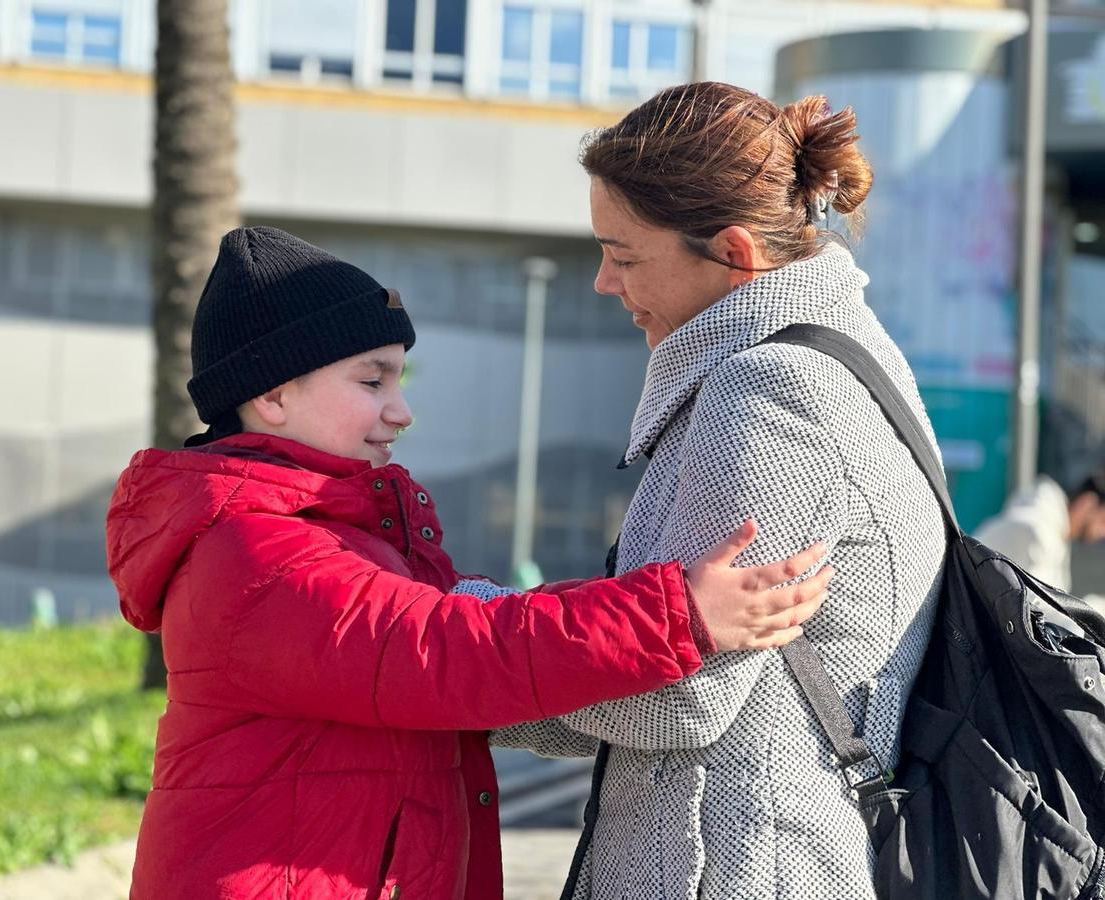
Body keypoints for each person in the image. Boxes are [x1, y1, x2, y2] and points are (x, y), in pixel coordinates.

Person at [103, 226, 834, 900]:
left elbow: (482, 621)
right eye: (372, 381)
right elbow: (451, 648)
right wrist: (676, 613)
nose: (401, 411)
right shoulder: (257, 552)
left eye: (400, 381)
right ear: (272, 393)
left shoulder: (337, 534)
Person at [494, 84, 949, 900]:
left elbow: (677, 696)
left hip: (734, 868)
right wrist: (451, 680)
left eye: (625, 256)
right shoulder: (850, 350)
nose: (603, 282)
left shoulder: (772, 391)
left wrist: (453, 635)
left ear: (735, 252)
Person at [974, 468, 1105, 612]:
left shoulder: (1054, 533)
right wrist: (1094, 610)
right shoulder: (1038, 530)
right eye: (1103, 522)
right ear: (1087, 504)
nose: (1103, 533)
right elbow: (1035, 610)